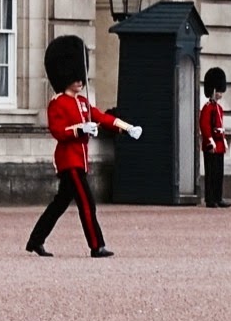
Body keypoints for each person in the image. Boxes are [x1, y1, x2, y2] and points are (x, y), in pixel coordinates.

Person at [26, 35, 143, 258]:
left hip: (80, 161)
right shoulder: (57, 103)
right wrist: (80, 129)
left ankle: (35, 240)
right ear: (64, 76)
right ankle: (96, 245)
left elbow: (101, 117)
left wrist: (127, 128)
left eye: (81, 75)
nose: (80, 80)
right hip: (69, 162)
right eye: (75, 76)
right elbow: (58, 131)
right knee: (87, 203)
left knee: (59, 204)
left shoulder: (82, 102)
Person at [200, 66, 231, 209]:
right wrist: (211, 142)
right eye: (218, 91)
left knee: (219, 173)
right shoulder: (207, 108)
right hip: (211, 145)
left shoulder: (218, 109)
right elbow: (205, 126)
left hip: (219, 145)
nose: (220, 94)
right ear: (213, 90)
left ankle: (218, 197)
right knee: (211, 172)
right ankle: (210, 198)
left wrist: (223, 140)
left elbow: (220, 125)